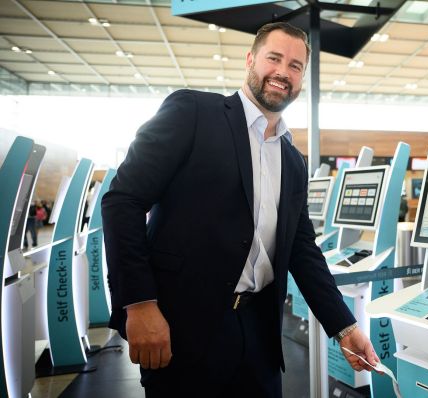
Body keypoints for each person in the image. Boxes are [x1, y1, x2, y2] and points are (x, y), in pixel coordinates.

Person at [102, 22, 378, 398]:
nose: (283, 72)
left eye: (296, 66)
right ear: (251, 60)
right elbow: (123, 201)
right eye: (274, 58)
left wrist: (345, 328)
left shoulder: (293, 162)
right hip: (183, 329)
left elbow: (302, 251)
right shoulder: (194, 113)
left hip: (259, 336)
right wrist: (139, 304)